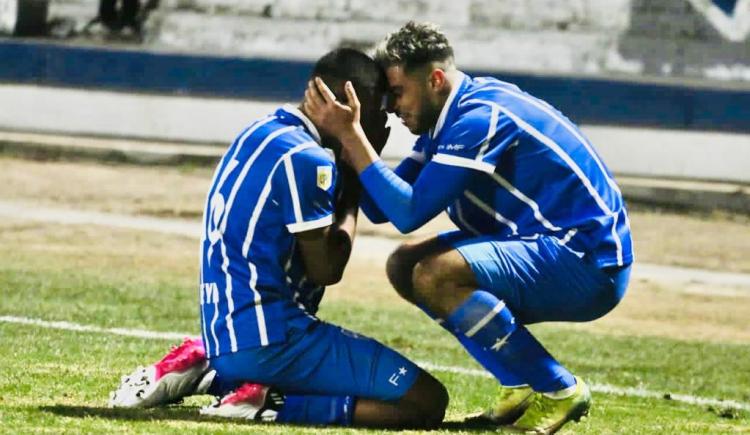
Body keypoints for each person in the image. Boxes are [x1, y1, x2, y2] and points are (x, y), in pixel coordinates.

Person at [304, 21, 633, 434]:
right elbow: (381, 207)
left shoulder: (479, 119)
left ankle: (559, 389)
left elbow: (408, 213)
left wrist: (353, 138)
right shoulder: (449, 121)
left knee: (436, 274)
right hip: (549, 245)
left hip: (586, 261)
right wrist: (356, 141)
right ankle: (520, 384)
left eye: (399, 92)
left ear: (435, 80)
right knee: (405, 266)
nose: (391, 106)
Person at [109, 48, 448, 429]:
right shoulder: (308, 159)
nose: (386, 122)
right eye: (380, 110)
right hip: (273, 342)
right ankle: (267, 405)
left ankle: (204, 366)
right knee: (426, 400)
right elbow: (327, 269)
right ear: (351, 103)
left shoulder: (261, 129)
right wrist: (354, 172)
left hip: (225, 332)